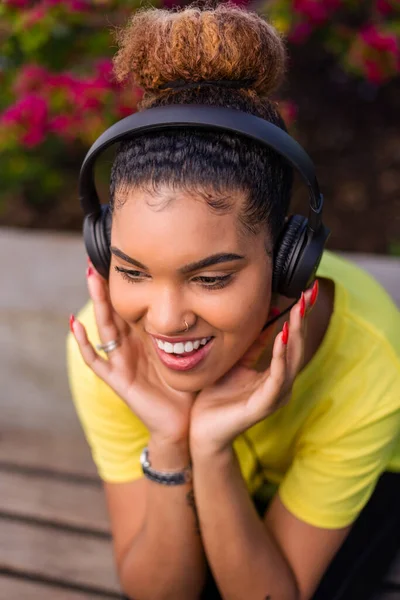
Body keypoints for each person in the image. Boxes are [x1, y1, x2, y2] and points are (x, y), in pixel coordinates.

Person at [66, 4, 400, 600]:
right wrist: (172, 439)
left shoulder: (373, 364)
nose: (165, 321)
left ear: (291, 260)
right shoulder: (108, 347)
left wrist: (212, 450)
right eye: (133, 271)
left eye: (211, 278)